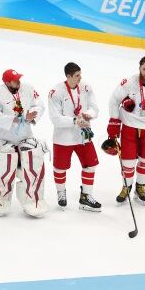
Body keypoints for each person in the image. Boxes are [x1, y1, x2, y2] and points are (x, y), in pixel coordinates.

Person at [107, 56, 145, 205]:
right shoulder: (129, 82)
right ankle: (126, 187)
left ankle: (140, 187)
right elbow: (113, 100)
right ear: (139, 68)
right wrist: (115, 121)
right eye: (144, 69)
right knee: (128, 161)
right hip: (129, 125)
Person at [0, 69, 48, 217]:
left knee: (34, 161)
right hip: (2, 140)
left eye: (19, 79)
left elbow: (39, 104)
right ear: (6, 82)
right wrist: (13, 119)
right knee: (5, 168)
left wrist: (32, 115)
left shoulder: (28, 88)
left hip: (24, 136)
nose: (18, 82)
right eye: (15, 80)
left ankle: (32, 200)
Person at [47, 63, 102, 212]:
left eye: (80, 74)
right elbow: (55, 118)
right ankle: (61, 193)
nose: (80, 77)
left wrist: (88, 115)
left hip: (83, 135)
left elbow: (95, 108)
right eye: (77, 75)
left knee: (91, 164)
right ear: (69, 76)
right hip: (63, 138)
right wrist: (74, 121)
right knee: (60, 168)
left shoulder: (85, 87)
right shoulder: (55, 92)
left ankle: (86, 196)